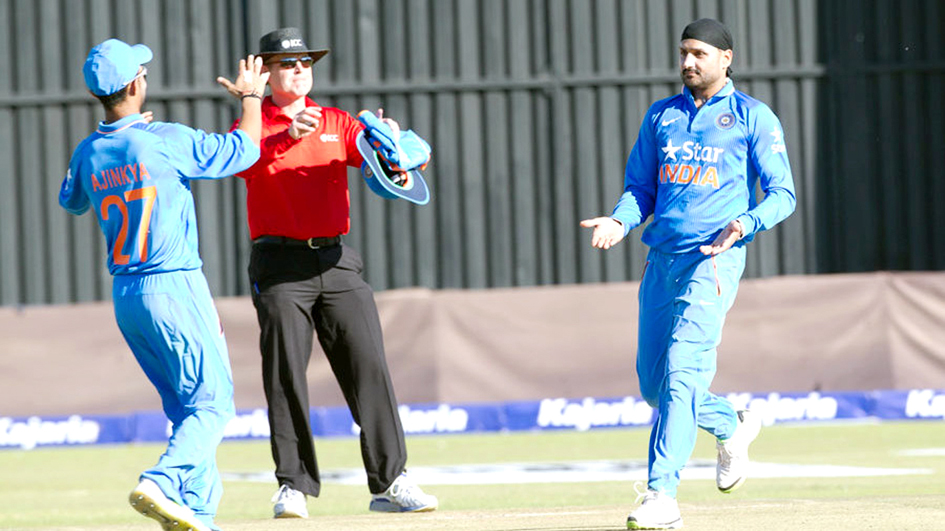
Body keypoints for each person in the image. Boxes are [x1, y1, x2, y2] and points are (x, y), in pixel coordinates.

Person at [581, 18, 796, 530]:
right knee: (655, 388)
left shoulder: (753, 117)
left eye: (699, 53)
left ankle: (662, 495)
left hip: (715, 260)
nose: (688, 63)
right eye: (683, 53)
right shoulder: (661, 116)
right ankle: (732, 423)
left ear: (726, 58)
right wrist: (619, 218)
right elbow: (640, 189)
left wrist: (746, 222)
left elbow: (783, 194)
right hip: (662, 263)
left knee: (683, 372)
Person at [215, 27, 437, 518]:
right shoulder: (252, 125)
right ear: (267, 74)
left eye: (305, 63)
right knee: (285, 375)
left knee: (369, 369)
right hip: (279, 265)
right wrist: (284, 137)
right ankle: (293, 485)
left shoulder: (338, 121)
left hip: (336, 260)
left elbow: (388, 163)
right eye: (288, 64)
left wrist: (398, 152)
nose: (299, 70)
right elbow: (241, 164)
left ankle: (391, 482)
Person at [59, 38, 269, 531]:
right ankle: (163, 482)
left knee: (185, 407)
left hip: (127, 296)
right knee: (214, 403)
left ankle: (195, 514)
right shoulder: (163, 139)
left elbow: (72, 202)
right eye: (143, 72)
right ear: (136, 84)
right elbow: (243, 151)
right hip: (172, 286)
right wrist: (251, 100)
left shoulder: (89, 151)